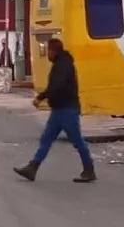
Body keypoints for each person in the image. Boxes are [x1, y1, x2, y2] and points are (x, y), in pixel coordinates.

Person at [14, 38, 96, 183]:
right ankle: (32, 168)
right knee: (46, 139)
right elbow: (55, 86)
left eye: (48, 51)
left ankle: (89, 169)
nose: (47, 55)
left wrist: (40, 97)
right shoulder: (60, 64)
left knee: (77, 140)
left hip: (67, 109)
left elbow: (56, 86)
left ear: (53, 51)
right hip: (58, 110)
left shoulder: (64, 66)